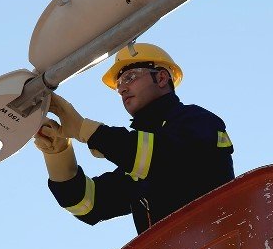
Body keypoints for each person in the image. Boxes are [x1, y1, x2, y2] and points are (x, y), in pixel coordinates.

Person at [34, 43, 234, 234]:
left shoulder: (198, 121)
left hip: (217, 246)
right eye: (119, 84)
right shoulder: (139, 167)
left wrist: (83, 129)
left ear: (162, 78)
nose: (122, 89)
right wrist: (59, 153)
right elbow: (88, 205)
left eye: (130, 77)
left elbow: (167, 159)